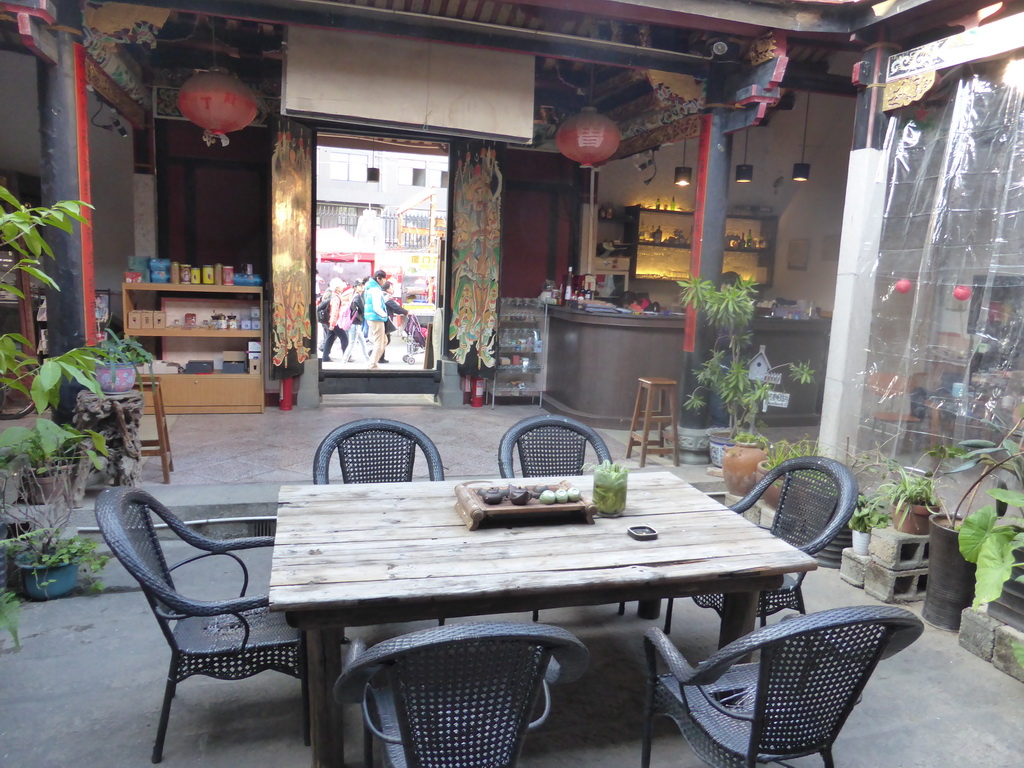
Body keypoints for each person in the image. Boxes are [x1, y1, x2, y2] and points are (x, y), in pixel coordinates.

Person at [321, 278, 353, 362]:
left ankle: (325, 357)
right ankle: (346, 356)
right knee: (344, 338)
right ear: (337, 287)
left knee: (330, 338)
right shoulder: (336, 297)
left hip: (332, 321)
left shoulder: (333, 295)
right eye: (341, 286)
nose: (342, 287)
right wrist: (332, 324)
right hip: (335, 322)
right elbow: (334, 312)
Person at [364, 269, 390, 370]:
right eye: (383, 280)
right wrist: (384, 316)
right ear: (378, 279)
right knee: (380, 343)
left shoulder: (369, 288)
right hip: (376, 318)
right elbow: (377, 307)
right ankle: (372, 365)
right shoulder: (376, 290)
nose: (384, 282)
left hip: (371, 317)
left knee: (383, 341)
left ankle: (372, 362)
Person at [380, 280, 409, 364]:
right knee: (384, 340)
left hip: (384, 319)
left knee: (385, 340)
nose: (393, 289)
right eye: (391, 287)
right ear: (387, 289)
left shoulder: (383, 295)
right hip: (384, 320)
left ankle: (379, 356)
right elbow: (395, 307)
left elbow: (394, 308)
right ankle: (376, 355)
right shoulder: (386, 297)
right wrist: (406, 312)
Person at [341, 281, 370, 363]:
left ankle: (368, 359)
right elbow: (363, 309)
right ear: (356, 287)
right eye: (360, 286)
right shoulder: (357, 297)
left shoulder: (355, 296)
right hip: (355, 323)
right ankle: (344, 360)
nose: (362, 287)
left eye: (362, 285)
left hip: (355, 322)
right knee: (352, 343)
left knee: (362, 342)